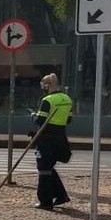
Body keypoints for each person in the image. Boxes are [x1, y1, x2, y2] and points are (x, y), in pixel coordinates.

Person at [32, 73, 72, 210]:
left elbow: (40, 121)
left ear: (47, 86)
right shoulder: (67, 98)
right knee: (49, 167)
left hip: (46, 138)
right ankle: (61, 196)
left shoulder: (47, 100)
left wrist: (33, 116)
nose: (42, 88)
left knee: (43, 168)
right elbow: (69, 119)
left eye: (43, 86)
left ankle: (45, 201)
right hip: (60, 137)